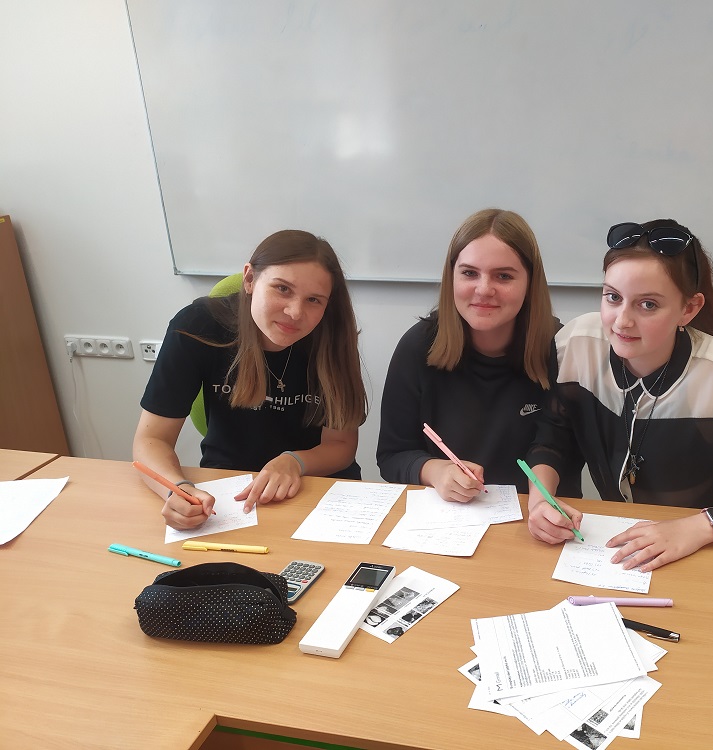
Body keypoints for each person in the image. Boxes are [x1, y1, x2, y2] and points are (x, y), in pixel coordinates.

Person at [524, 218, 713, 570]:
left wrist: (699, 527)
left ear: (689, 309)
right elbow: (553, 440)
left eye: (648, 305)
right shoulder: (574, 346)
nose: (622, 321)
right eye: (613, 297)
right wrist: (540, 501)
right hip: (623, 551)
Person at [134, 229, 367, 529]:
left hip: (317, 487)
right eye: (282, 289)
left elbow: (342, 445)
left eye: (314, 300)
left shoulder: (333, 336)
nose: (295, 312)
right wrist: (176, 489)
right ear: (249, 279)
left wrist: (294, 462)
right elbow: (151, 439)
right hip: (229, 490)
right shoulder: (197, 326)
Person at [377, 208, 582, 501]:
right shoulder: (418, 346)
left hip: (539, 513)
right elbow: (392, 455)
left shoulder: (562, 349)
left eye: (504, 276)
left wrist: (541, 503)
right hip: (451, 515)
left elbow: (565, 453)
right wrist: (436, 471)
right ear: (452, 276)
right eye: (469, 273)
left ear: (530, 282)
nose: (484, 290)